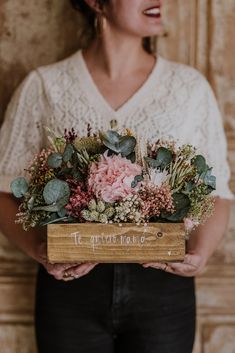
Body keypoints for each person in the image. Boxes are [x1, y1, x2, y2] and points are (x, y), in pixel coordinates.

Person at [0, 0, 233, 352]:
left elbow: (218, 193)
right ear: (96, 2)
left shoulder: (188, 88)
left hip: (163, 290)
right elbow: (4, 189)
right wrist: (38, 249)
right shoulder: (45, 86)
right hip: (70, 291)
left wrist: (200, 253)